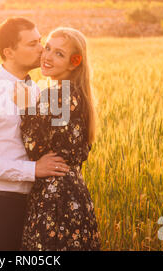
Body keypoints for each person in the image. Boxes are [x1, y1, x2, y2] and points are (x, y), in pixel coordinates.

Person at [0, 17, 70, 251]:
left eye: (40, 41)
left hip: (36, 207)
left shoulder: (38, 93)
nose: (42, 49)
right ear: (9, 52)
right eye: (32, 44)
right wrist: (34, 170)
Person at [13, 27, 101, 250]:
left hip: (54, 201)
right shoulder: (79, 95)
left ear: (74, 63)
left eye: (59, 54)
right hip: (77, 198)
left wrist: (24, 106)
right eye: (48, 48)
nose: (48, 56)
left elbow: (33, 147)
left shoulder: (55, 95)